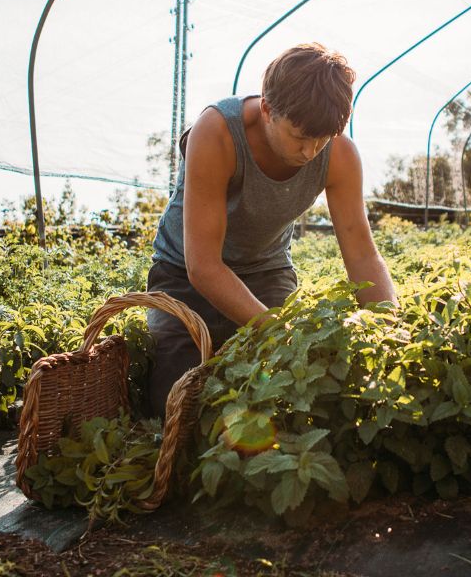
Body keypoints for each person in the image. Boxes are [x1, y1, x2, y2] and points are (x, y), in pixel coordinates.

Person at [146, 43, 398, 416]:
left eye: (322, 139)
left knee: (286, 392)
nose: (310, 151)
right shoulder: (217, 133)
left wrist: (390, 331)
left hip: (266, 270)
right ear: (267, 108)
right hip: (183, 272)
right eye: (299, 137)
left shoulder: (340, 155)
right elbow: (204, 266)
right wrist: (277, 330)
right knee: (174, 399)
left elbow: (362, 254)